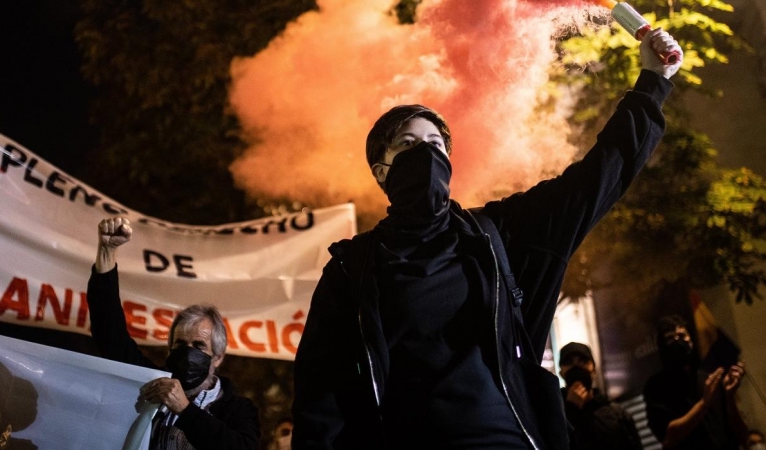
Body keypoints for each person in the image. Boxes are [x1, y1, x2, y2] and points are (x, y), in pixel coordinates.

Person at [292, 29, 683, 450]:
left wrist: (653, 81)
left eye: (435, 145)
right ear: (382, 172)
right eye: (407, 145)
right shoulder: (353, 269)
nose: (425, 154)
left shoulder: (498, 233)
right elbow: (320, 392)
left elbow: (595, 180)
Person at [87, 217, 260, 450]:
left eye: (199, 346)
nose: (188, 353)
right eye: (179, 344)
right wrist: (107, 253)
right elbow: (109, 334)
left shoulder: (237, 409)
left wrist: (185, 409)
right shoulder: (150, 387)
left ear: (218, 357)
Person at [643, 315, 748, 449]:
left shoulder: (709, 378)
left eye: (682, 336)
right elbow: (669, 437)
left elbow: (742, 435)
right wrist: (704, 403)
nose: (677, 341)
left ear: (691, 340)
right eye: (670, 338)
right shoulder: (656, 387)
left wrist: (729, 396)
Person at [558, 342, 642, 450]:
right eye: (569, 362)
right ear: (561, 373)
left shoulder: (616, 414)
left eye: (583, 361)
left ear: (593, 369)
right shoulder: (556, 415)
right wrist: (571, 409)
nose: (576, 367)